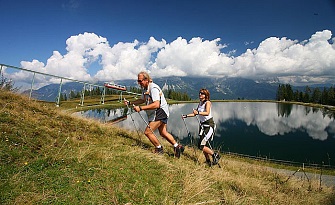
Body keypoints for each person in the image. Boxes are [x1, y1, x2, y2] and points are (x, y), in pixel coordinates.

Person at [125, 71, 184, 158]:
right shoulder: (145, 88)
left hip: (160, 112)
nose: (139, 83)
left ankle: (159, 149)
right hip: (160, 112)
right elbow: (142, 100)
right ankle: (177, 146)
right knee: (163, 133)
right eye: (138, 81)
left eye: (140, 81)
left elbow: (157, 104)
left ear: (146, 80)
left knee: (148, 132)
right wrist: (130, 103)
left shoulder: (153, 88)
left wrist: (141, 108)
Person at [182, 88, 220, 166]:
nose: (200, 94)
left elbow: (207, 113)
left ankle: (215, 155)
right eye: (199, 93)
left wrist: (198, 112)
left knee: (201, 146)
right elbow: (195, 113)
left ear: (206, 95)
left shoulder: (208, 102)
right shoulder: (200, 103)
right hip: (202, 125)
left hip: (209, 126)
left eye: (202, 93)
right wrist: (186, 116)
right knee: (203, 145)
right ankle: (208, 161)